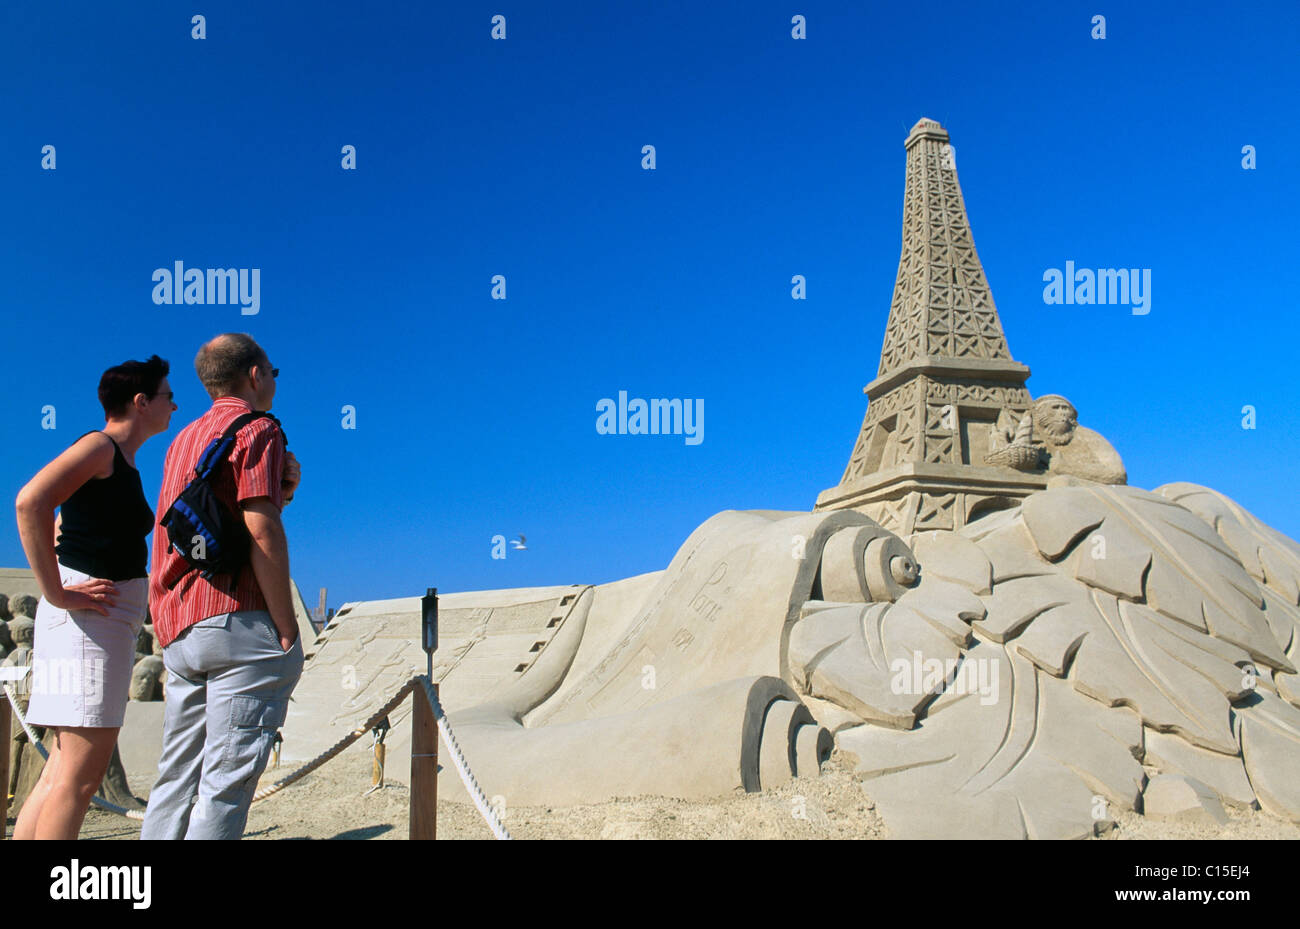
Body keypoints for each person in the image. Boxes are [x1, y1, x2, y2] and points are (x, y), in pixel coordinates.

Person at [140, 333, 302, 840]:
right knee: (225, 785)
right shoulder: (258, 429)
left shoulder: (181, 441)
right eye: (272, 372)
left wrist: (281, 494)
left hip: (180, 624)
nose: (273, 381)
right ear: (255, 374)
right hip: (239, 619)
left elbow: (185, 529)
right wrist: (286, 626)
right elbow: (260, 528)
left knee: (176, 777)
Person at [12, 355, 177, 839]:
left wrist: (61, 591)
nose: (174, 405)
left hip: (93, 623)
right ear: (141, 402)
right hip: (90, 625)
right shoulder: (100, 447)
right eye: (168, 396)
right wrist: (57, 593)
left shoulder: (120, 461)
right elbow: (30, 501)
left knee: (60, 771)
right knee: (79, 781)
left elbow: (63, 523)